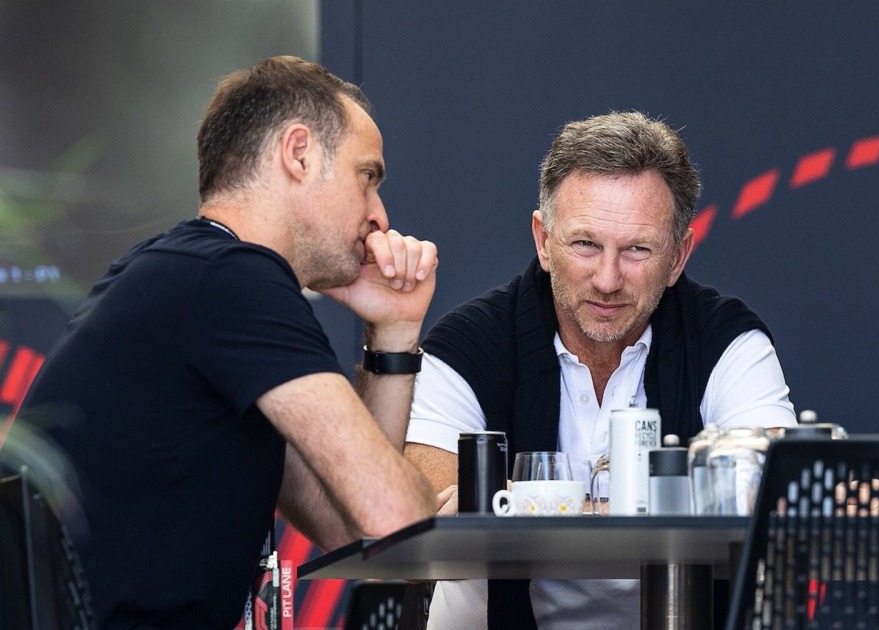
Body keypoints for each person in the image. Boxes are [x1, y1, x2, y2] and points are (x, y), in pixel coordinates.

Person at [7, 56, 448, 627]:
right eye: (367, 177)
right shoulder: (234, 277)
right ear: (298, 153)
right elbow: (396, 521)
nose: (379, 217)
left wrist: (393, 333)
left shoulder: (191, 271)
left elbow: (352, 530)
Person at [404, 111, 798, 628]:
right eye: (585, 245)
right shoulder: (467, 344)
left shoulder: (728, 340)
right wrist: (673, 500)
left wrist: (525, 504)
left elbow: (779, 497)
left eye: (637, 249)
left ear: (678, 257)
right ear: (543, 241)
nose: (608, 280)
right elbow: (423, 517)